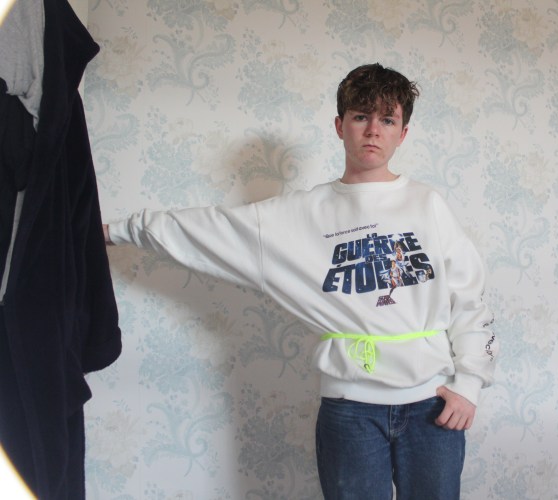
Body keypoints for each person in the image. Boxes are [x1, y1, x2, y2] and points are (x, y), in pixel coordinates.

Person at [104, 63, 496, 499]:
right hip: (350, 410)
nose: (373, 130)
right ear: (339, 125)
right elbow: (208, 229)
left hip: (432, 404)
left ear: (402, 133)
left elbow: (469, 299)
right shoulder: (300, 214)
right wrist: (113, 231)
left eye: (387, 120)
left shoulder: (427, 204)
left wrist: (469, 385)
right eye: (361, 116)